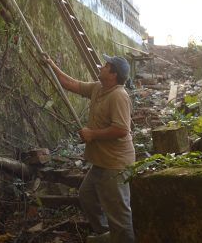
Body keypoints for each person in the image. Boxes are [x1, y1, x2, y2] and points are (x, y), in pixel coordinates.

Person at [45, 53, 135, 243]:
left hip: (115, 164)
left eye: (106, 65)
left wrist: (92, 134)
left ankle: (123, 238)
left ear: (113, 74)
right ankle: (106, 234)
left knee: (120, 214)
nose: (101, 66)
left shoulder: (119, 95)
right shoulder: (98, 88)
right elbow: (71, 84)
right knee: (86, 195)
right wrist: (51, 64)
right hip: (101, 161)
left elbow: (121, 129)